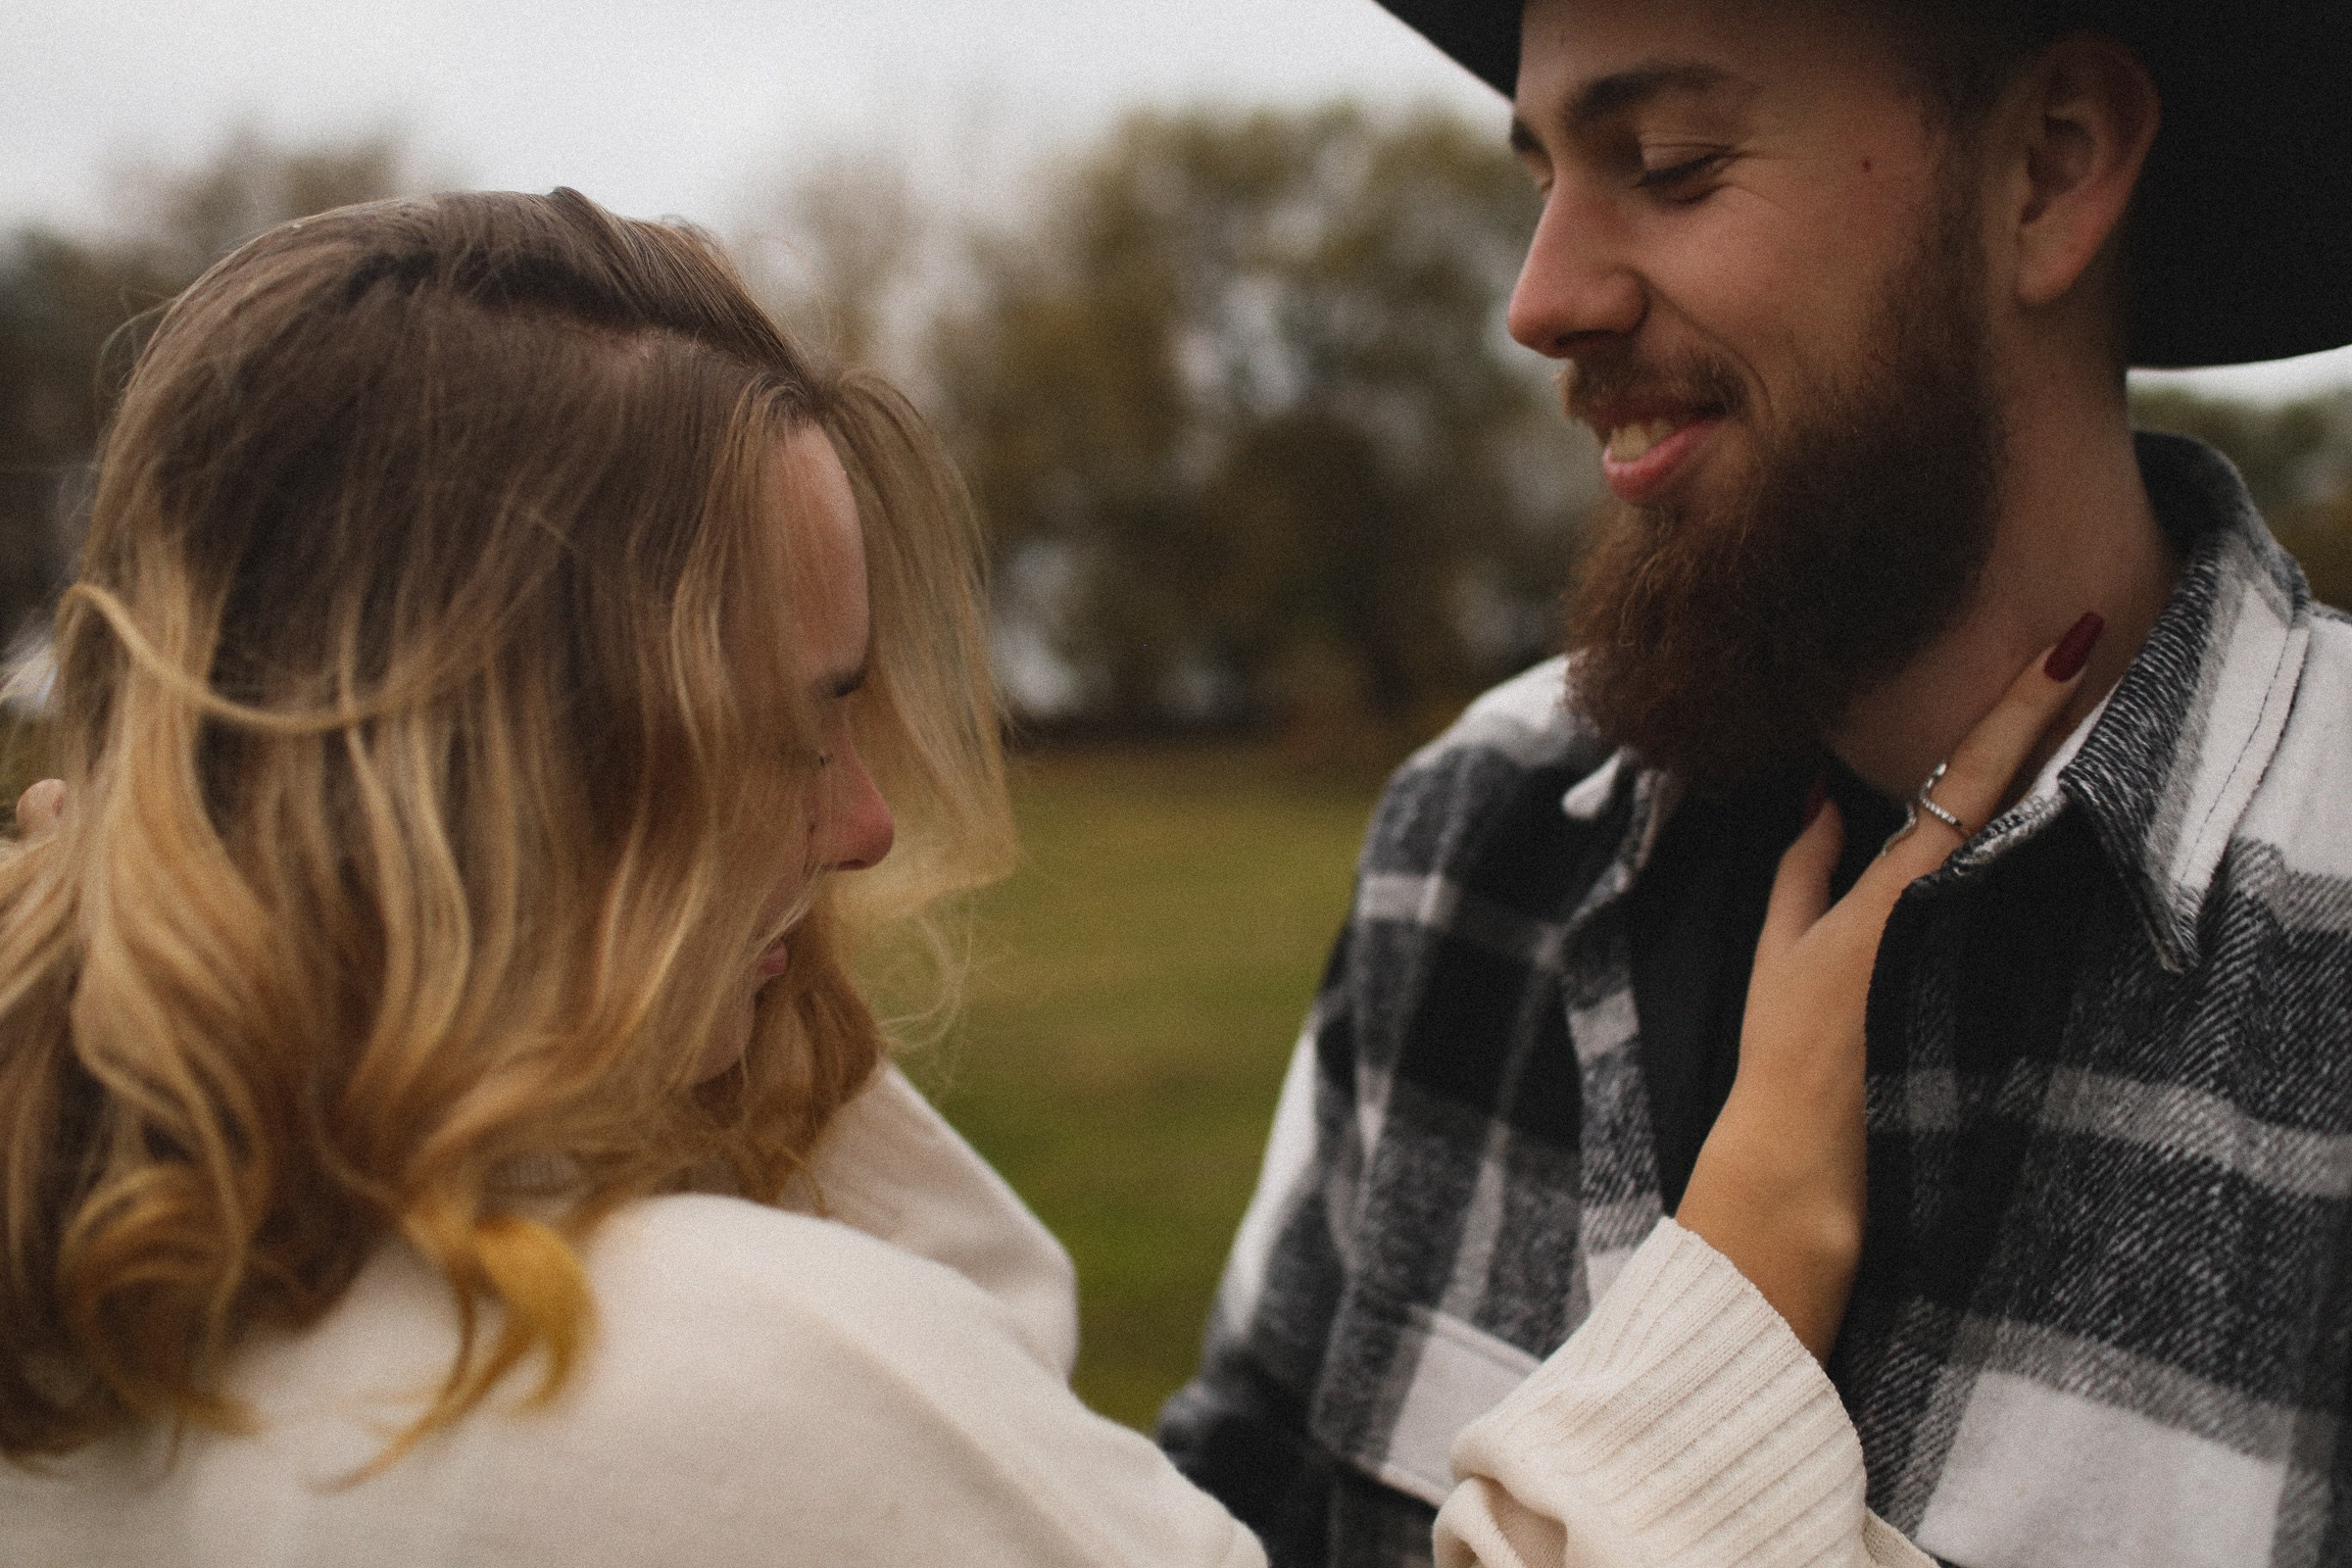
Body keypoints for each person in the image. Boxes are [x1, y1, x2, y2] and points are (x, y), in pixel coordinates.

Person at [0, 182, 2060, 1568]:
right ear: (514, 769)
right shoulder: (631, 1369)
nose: (866, 823)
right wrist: (1739, 1278)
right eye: (788, 725)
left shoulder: (134, 1315)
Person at [1161, 2, 2352, 1565]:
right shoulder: (1477, 837)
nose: (1541, 301)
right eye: (1545, 180)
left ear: (2049, 173)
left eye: (1668, 163)